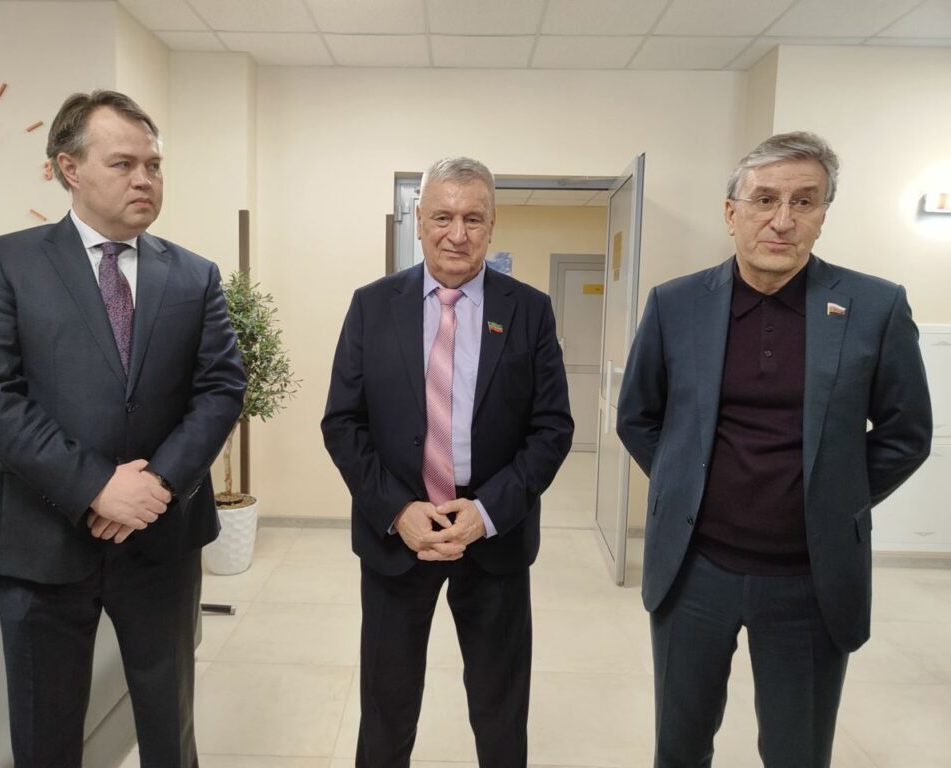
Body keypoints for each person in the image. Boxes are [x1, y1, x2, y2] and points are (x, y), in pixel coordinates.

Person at [616, 131, 932, 767]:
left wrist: (832, 498)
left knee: (797, 752)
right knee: (679, 747)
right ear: (731, 212)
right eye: (764, 200)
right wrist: (689, 487)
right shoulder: (676, 304)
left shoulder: (874, 306)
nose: (782, 220)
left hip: (810, 580)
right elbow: (639, 417)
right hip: (694, 571)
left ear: (823, 214)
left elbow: (906, 434)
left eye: (804, 202)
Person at [0, 90, 246, 767]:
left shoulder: (194, 275)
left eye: (154, 165)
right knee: (45, 736)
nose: (145, 179)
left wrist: (159, 484)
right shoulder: (6, 262)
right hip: (40, 541)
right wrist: (95, 487)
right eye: (123, 164)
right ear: (70, 168)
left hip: (161, 541)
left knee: (169, 729)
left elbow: (220, 388)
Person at [322, 156, 574, 768]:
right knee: (386, 708)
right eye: (442, 217)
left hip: (493, 539)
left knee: (500, 709)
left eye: (472, 219)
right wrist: (396, 510)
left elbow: (551, 429)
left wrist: (486, 513)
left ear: (492, 224)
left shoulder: (529, 311)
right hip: (397, 539)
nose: (456, 234)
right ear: (419, 220)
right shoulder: (372, 306)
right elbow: (343, 423)